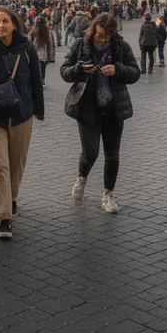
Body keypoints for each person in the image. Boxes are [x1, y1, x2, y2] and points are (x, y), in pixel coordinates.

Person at [0, 6, 43, 240]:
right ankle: (4, 217)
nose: (0, 25)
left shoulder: (26, 48)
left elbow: (36, 79)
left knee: (16, 162)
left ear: (15, 24)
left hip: (22, 112)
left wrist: (38, 109)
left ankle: (11, 197)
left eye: (5, 21)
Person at [60, 12, 139, 214]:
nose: (101, 38)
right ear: (94, 28)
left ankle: (108, 195)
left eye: (106, 36)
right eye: (99, 34)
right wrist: (79, 69)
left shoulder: (121, 47)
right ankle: (81, 178)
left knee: (112, 155)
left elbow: (135, 73)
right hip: (87, 107)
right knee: (91, 152)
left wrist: (118, 70)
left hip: (113, 108)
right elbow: (64, 71)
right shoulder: (80, 45)